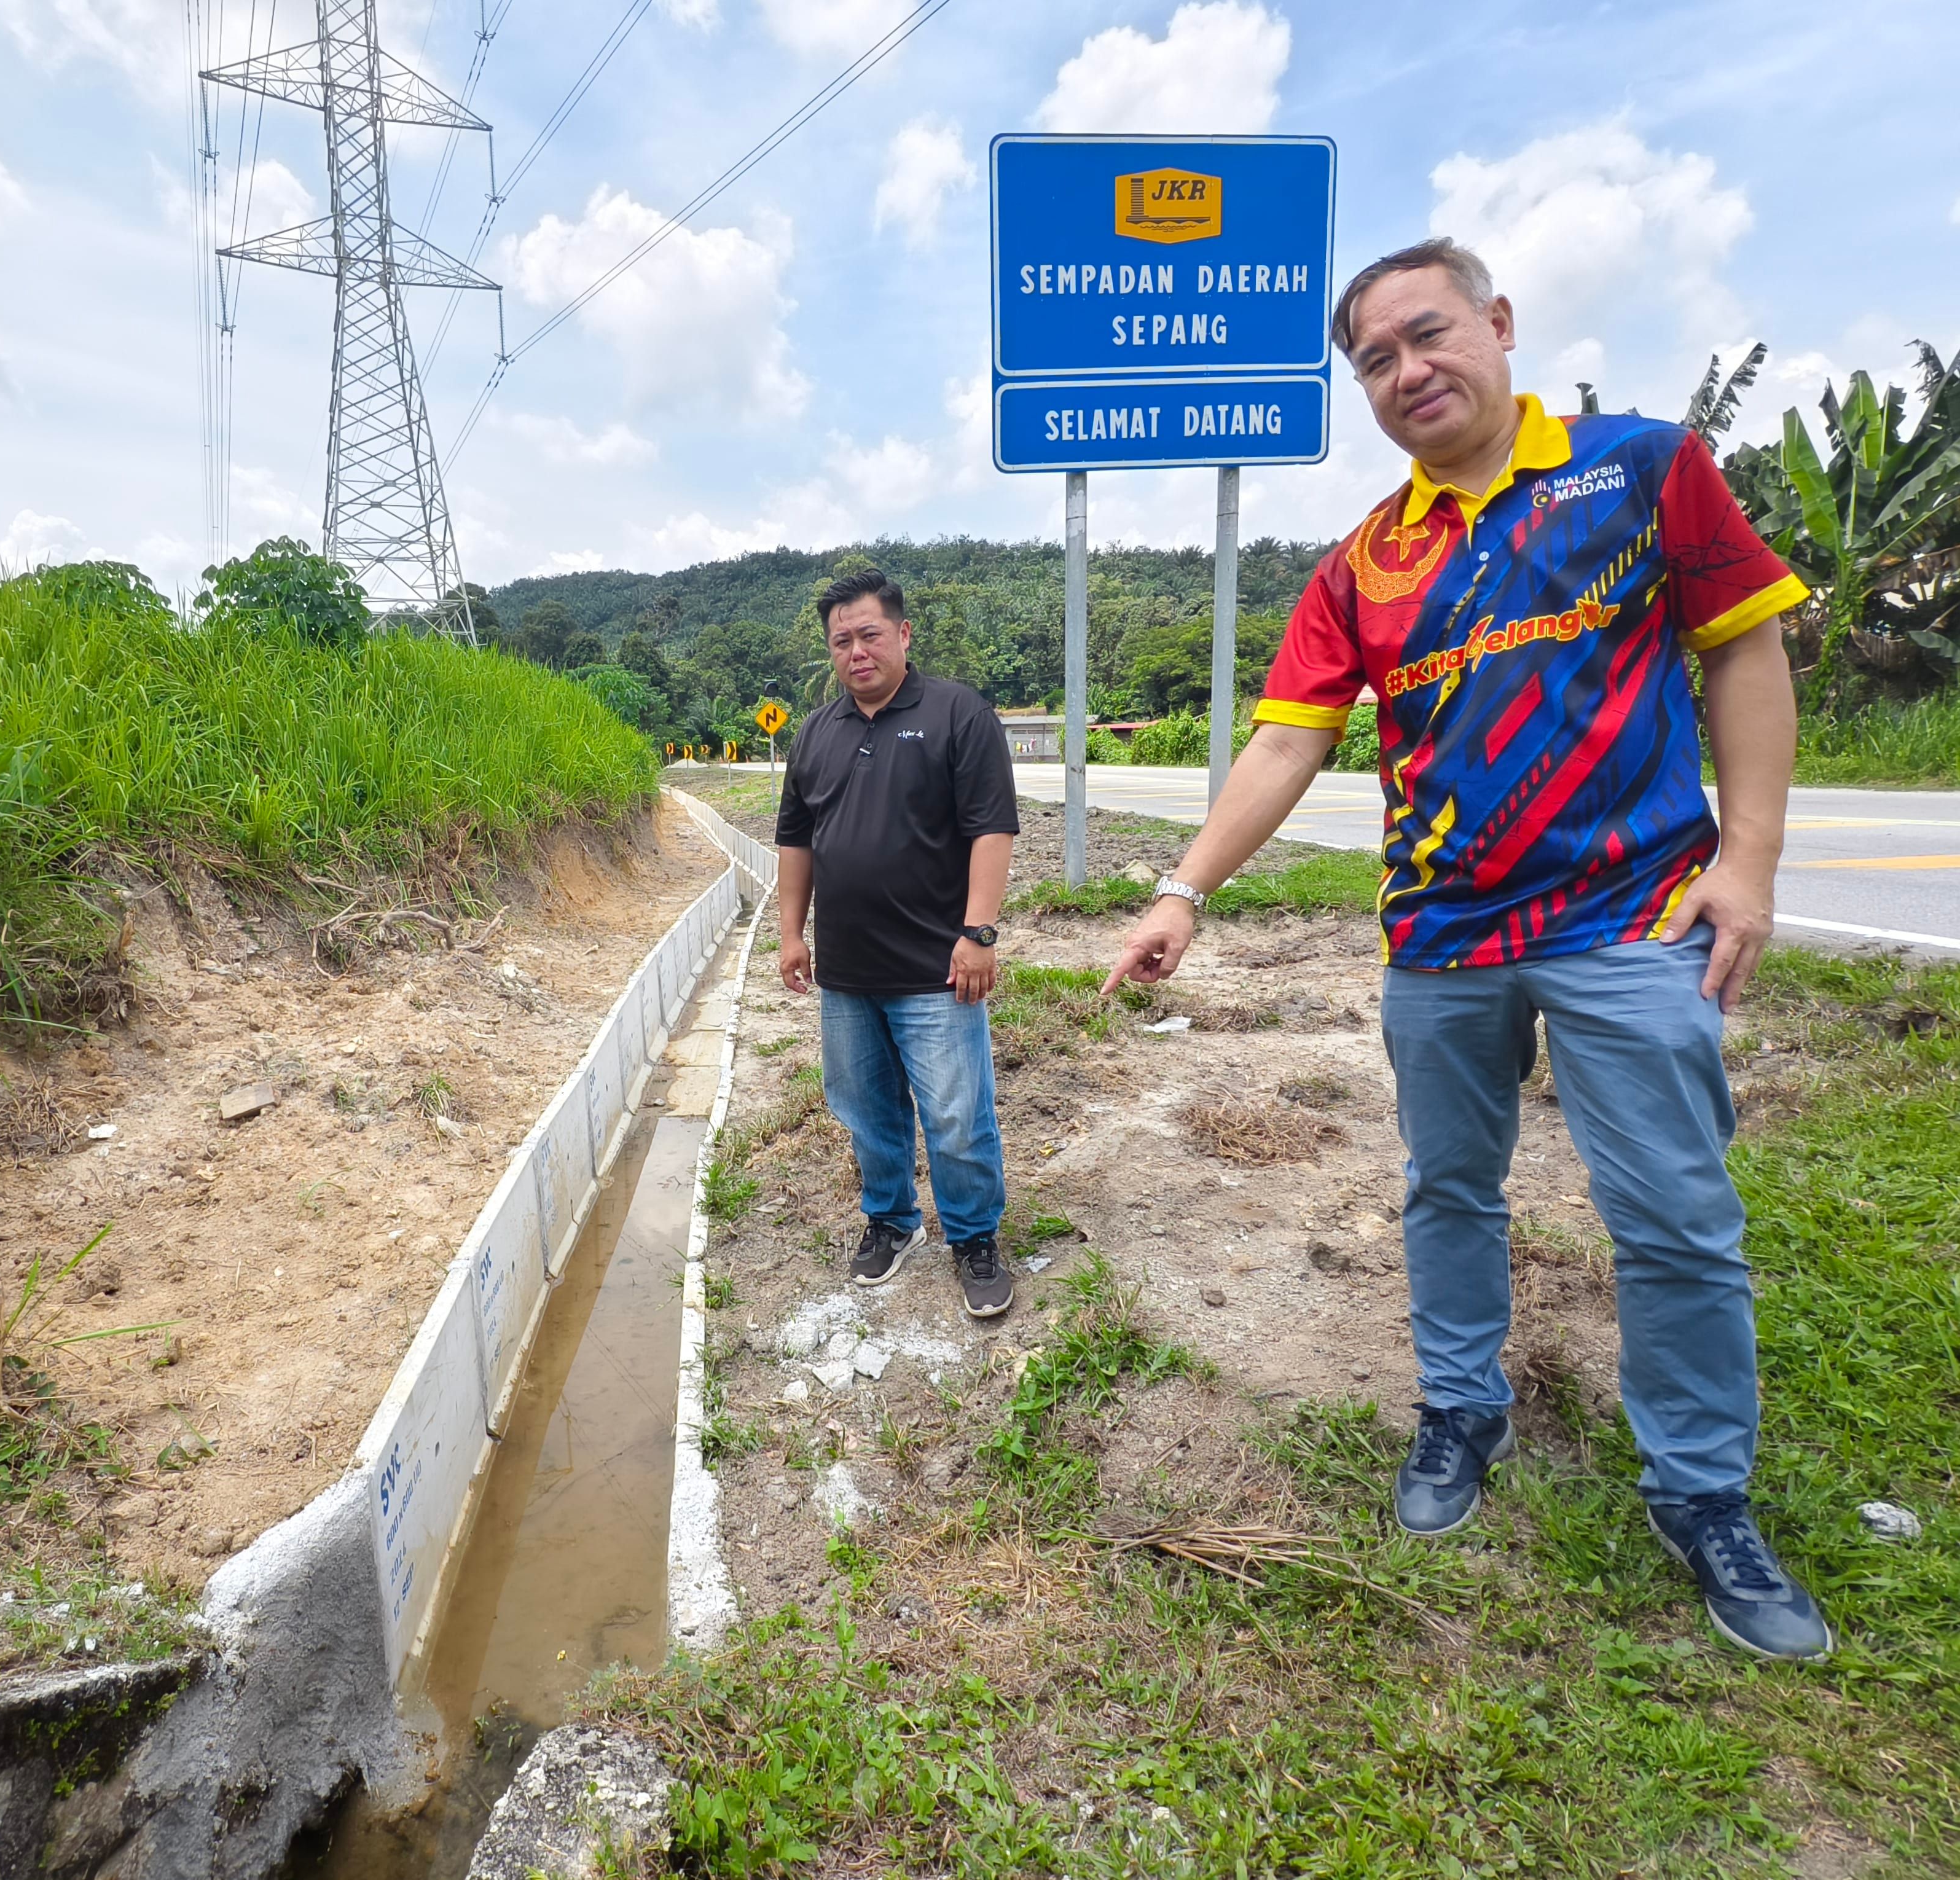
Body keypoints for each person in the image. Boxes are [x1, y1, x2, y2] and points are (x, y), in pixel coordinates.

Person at [1102, 238, 1830, 1661]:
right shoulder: (1360, 565)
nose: (1405, 371)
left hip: (1631, 915)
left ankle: (1700, 1493)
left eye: (1426, 334)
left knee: (1673, 1215)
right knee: (1447, 1188)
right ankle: (1458, 1409)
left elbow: (1744, 646)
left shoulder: (1636, 468)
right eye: (1373, 360)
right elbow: (1286, 744)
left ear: (1496, 323)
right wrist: (1183, 890)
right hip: (1440, 938)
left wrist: (1746, 861)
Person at [776, 568, 1021, 1318]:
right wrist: (791, 934)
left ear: (904, 634)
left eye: (870, 635)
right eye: (841, 641)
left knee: (955, 1115)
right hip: (848, 973)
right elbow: (796, 840)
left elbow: (992, 828)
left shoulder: (957, 714)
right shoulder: (816, 733)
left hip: (937, 969)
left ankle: (974, 1237)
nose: (857, 652)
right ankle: (892, 1220)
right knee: (865, 1111)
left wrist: (979, 932)